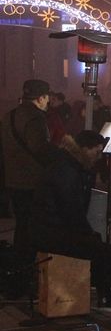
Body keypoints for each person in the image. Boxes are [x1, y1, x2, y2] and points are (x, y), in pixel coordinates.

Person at [30, 130, 111, 314]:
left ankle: (109, 294)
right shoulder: (67, 170)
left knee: (100, 249)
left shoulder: (67, 164)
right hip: (53, 234)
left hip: (52, 229)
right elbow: (71, 211)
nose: (98, 157)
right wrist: (88, 234)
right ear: (84, 149)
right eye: (96, 152)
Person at [0, 79, 53, 259]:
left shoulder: (10, 115)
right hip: (32, 182)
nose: (48, 102)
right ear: (40, 98)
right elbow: (40, 149)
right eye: (46, 98)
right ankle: (29, 268)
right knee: (33, 228)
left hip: (13, 180)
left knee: (22, 225)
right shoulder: (35, 118)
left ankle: (20, 266)